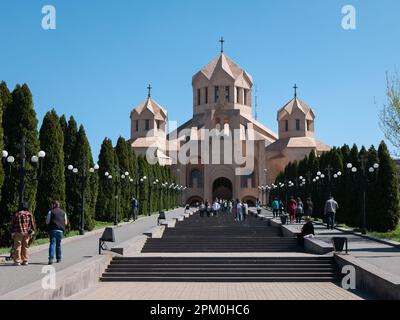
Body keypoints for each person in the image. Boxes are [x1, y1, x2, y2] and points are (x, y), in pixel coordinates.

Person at [46, 200, 68, 265]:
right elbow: (66, 223)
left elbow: (47, 221)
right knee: (58, 245)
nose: (51, 206)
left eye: (52, 204)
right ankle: (59, 258)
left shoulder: (50, 212)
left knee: (52, 244)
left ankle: (51, 259)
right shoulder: (64, 213)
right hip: (60, 231)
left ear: (54, 205)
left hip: (53, 230)